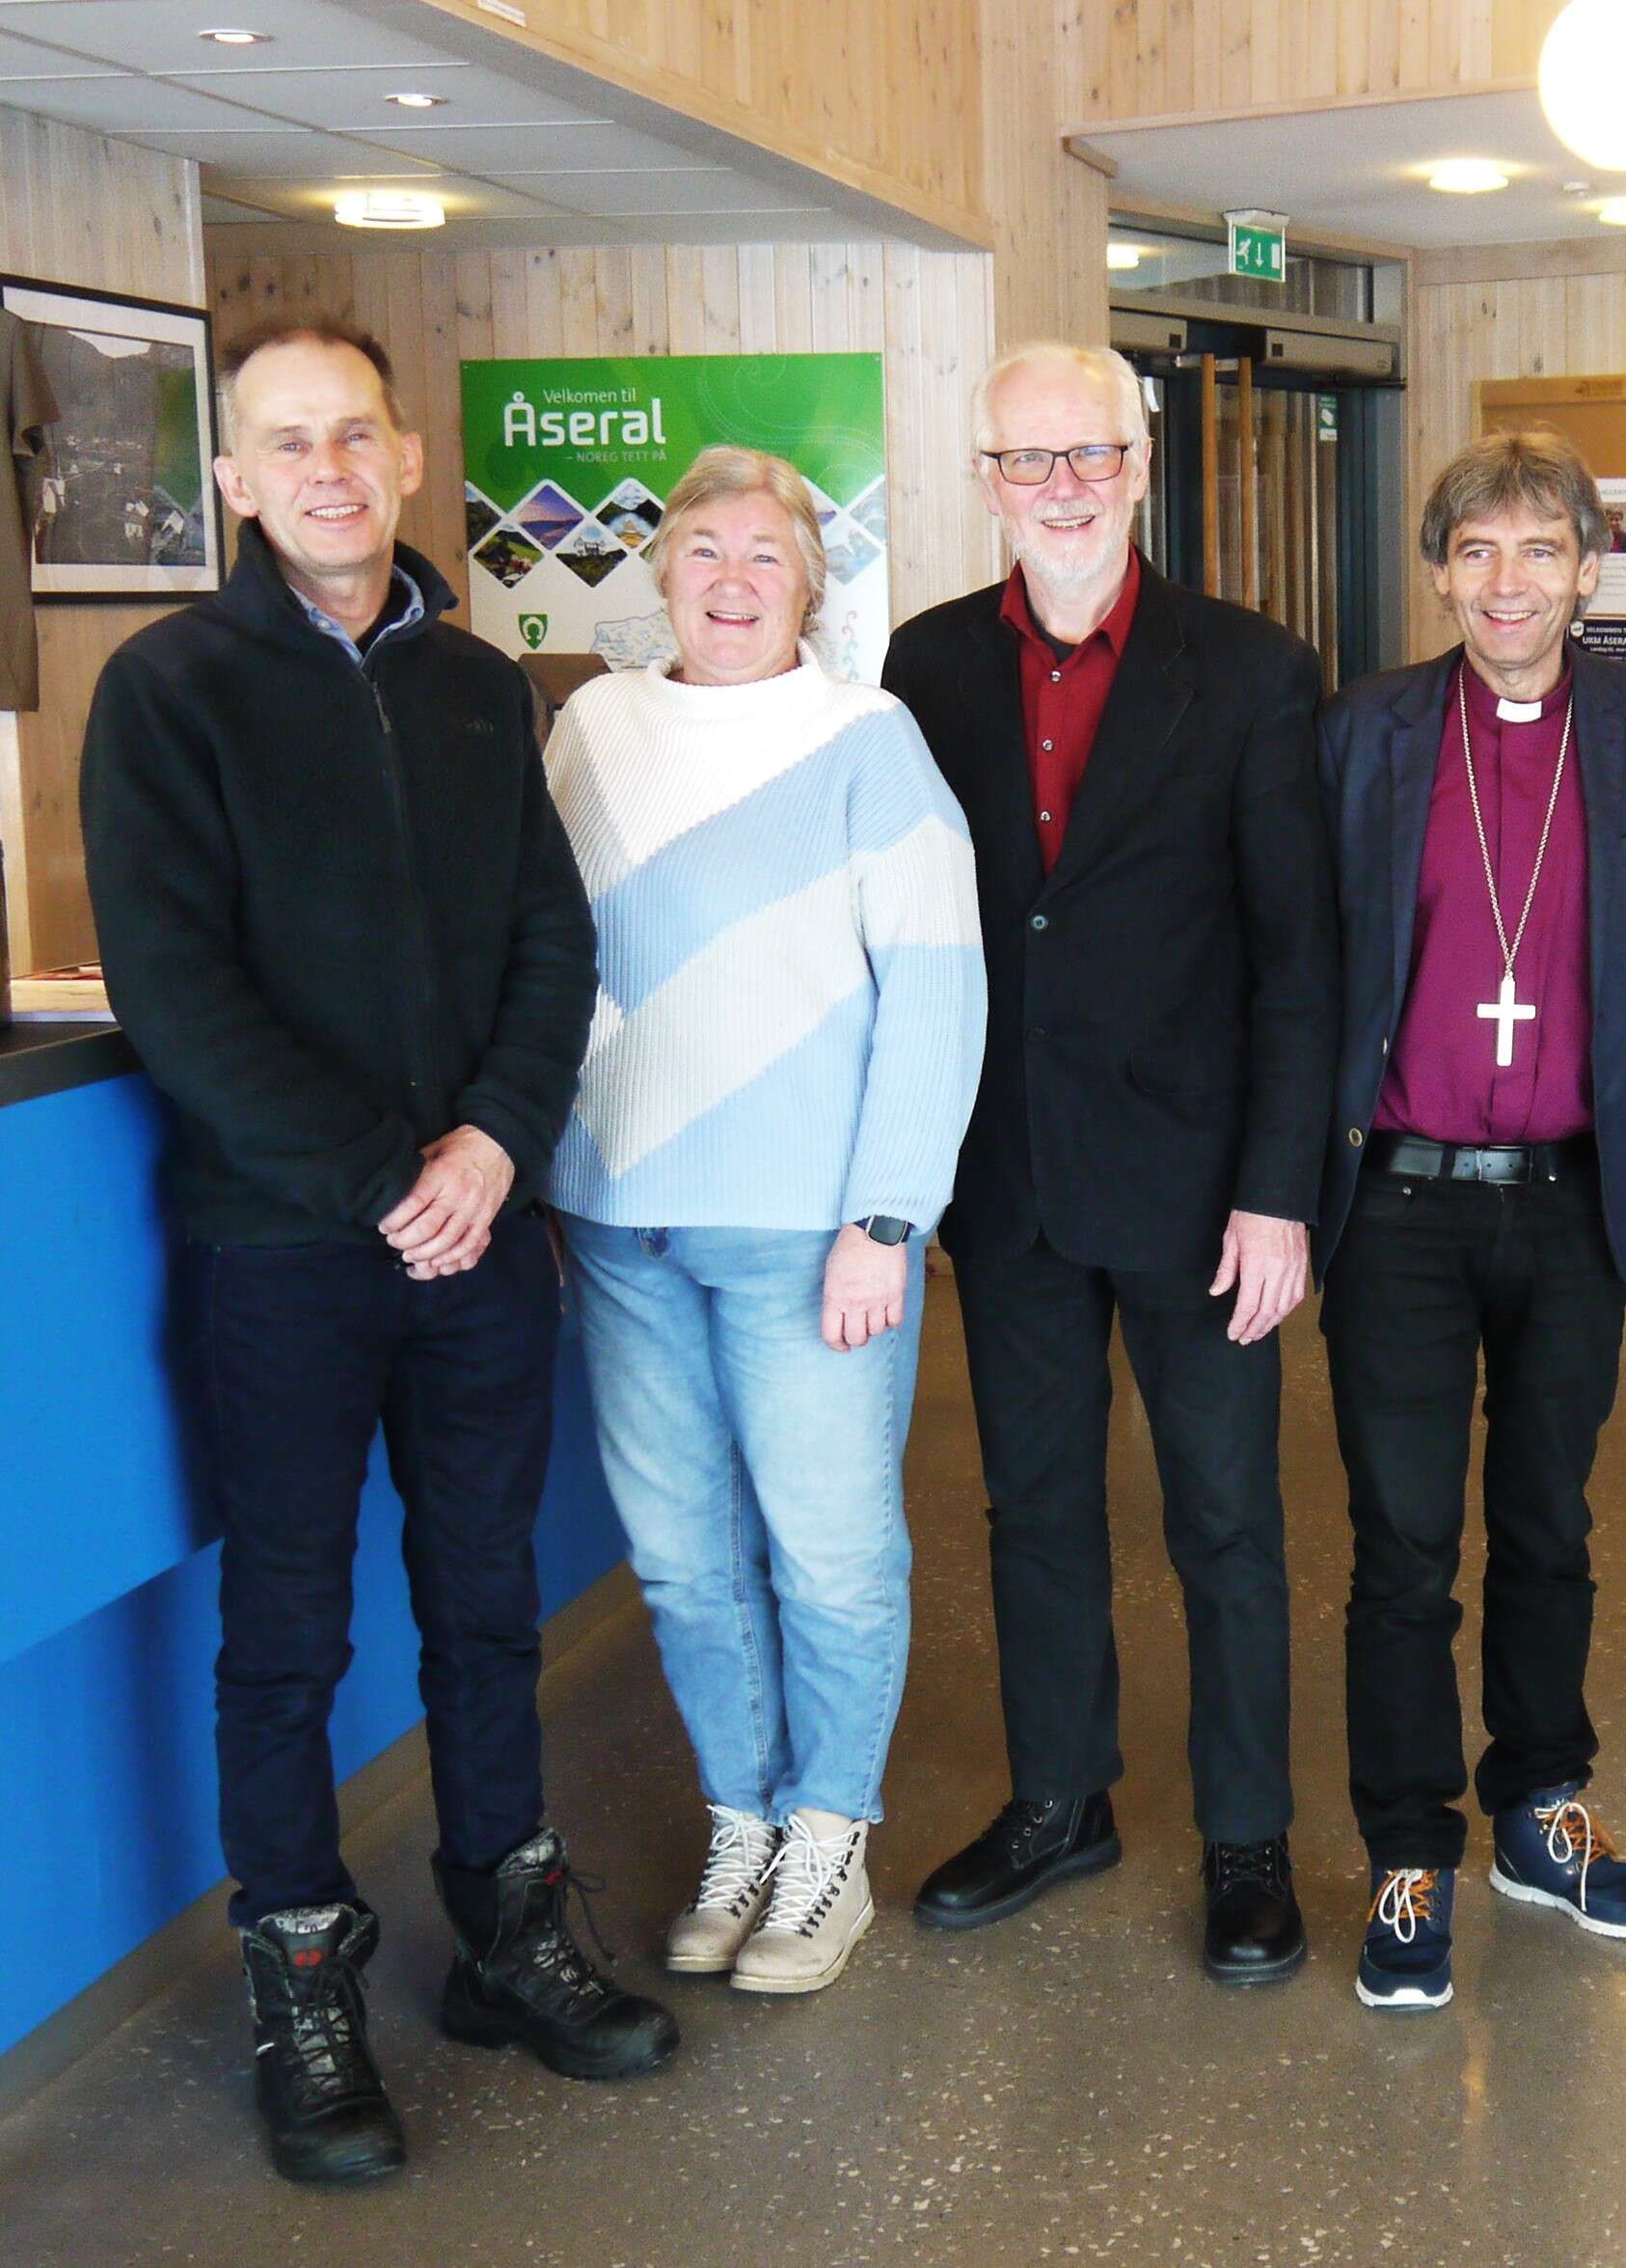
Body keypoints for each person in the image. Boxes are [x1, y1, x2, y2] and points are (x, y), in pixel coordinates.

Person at [77, 318, 673, 2186]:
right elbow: (176, 990)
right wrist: (381, 1182)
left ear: (407, 458)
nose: (327, 470)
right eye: (287, 443)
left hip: (476, 1234)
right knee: (290, 1630)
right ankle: (302, 1978)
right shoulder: (168, 691)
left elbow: (551, 944)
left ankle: (506, 1929)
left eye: (355, 435)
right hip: (286, 1252)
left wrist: (491, 1146)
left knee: (486, 1601)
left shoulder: (482, 690)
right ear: (234, 482)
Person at [882, 342, 1338, 1984]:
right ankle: (1059, 1800)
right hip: (1008, 1171)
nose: (1061, 487)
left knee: (1225, 1518)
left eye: (1090, 455)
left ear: (1141, 468)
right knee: (1034, 1507)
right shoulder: (926, 664)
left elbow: (1300, 956)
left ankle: (1246, 1837)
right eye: (1028, 459)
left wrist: (1279, 1189)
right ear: (986, 480)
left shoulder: (1255, 671)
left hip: (1203, 1187)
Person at [544, 448, 984, 1996]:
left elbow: (938, 984)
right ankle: (743, 1822)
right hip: (618, 1218)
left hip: (809, 1227)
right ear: (660, 572)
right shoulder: (592, 730)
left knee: (830, 1555)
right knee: (681, 1561)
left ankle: (829, 1839)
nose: (732, 581)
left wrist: (890, 1215)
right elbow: (539, 951)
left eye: (766, 557)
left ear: (811, 588)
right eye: (704, 550)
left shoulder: (867, 739)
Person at [1314, 432, 1626, 2011]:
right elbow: (1317, 954)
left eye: (1542, 550)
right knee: (1405, 1546)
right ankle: (1408, 1851)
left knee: (1551, 1524)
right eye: (1476, 550)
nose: (1508, 582)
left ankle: (1543, 1813)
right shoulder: (1365, 730)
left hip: (1567, 1198)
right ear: (1437, 574)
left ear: (1589, 570)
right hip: (1400, 1204)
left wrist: (1599, 1084)